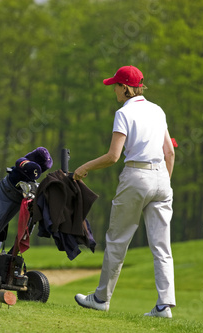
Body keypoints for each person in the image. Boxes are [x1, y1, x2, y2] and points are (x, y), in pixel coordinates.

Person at [73, 65, 176, 318]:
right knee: (162, 246)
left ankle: (100, 298)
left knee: (117, 239)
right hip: (162, 177)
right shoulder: (158, 110)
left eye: (116, 86)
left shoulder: (124, 113)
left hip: (136, 176)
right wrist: (162, 181)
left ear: (126, 88)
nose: (115, 91)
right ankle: (165, 305)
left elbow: (113, 156)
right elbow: (170, 152)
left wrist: (84, 167)